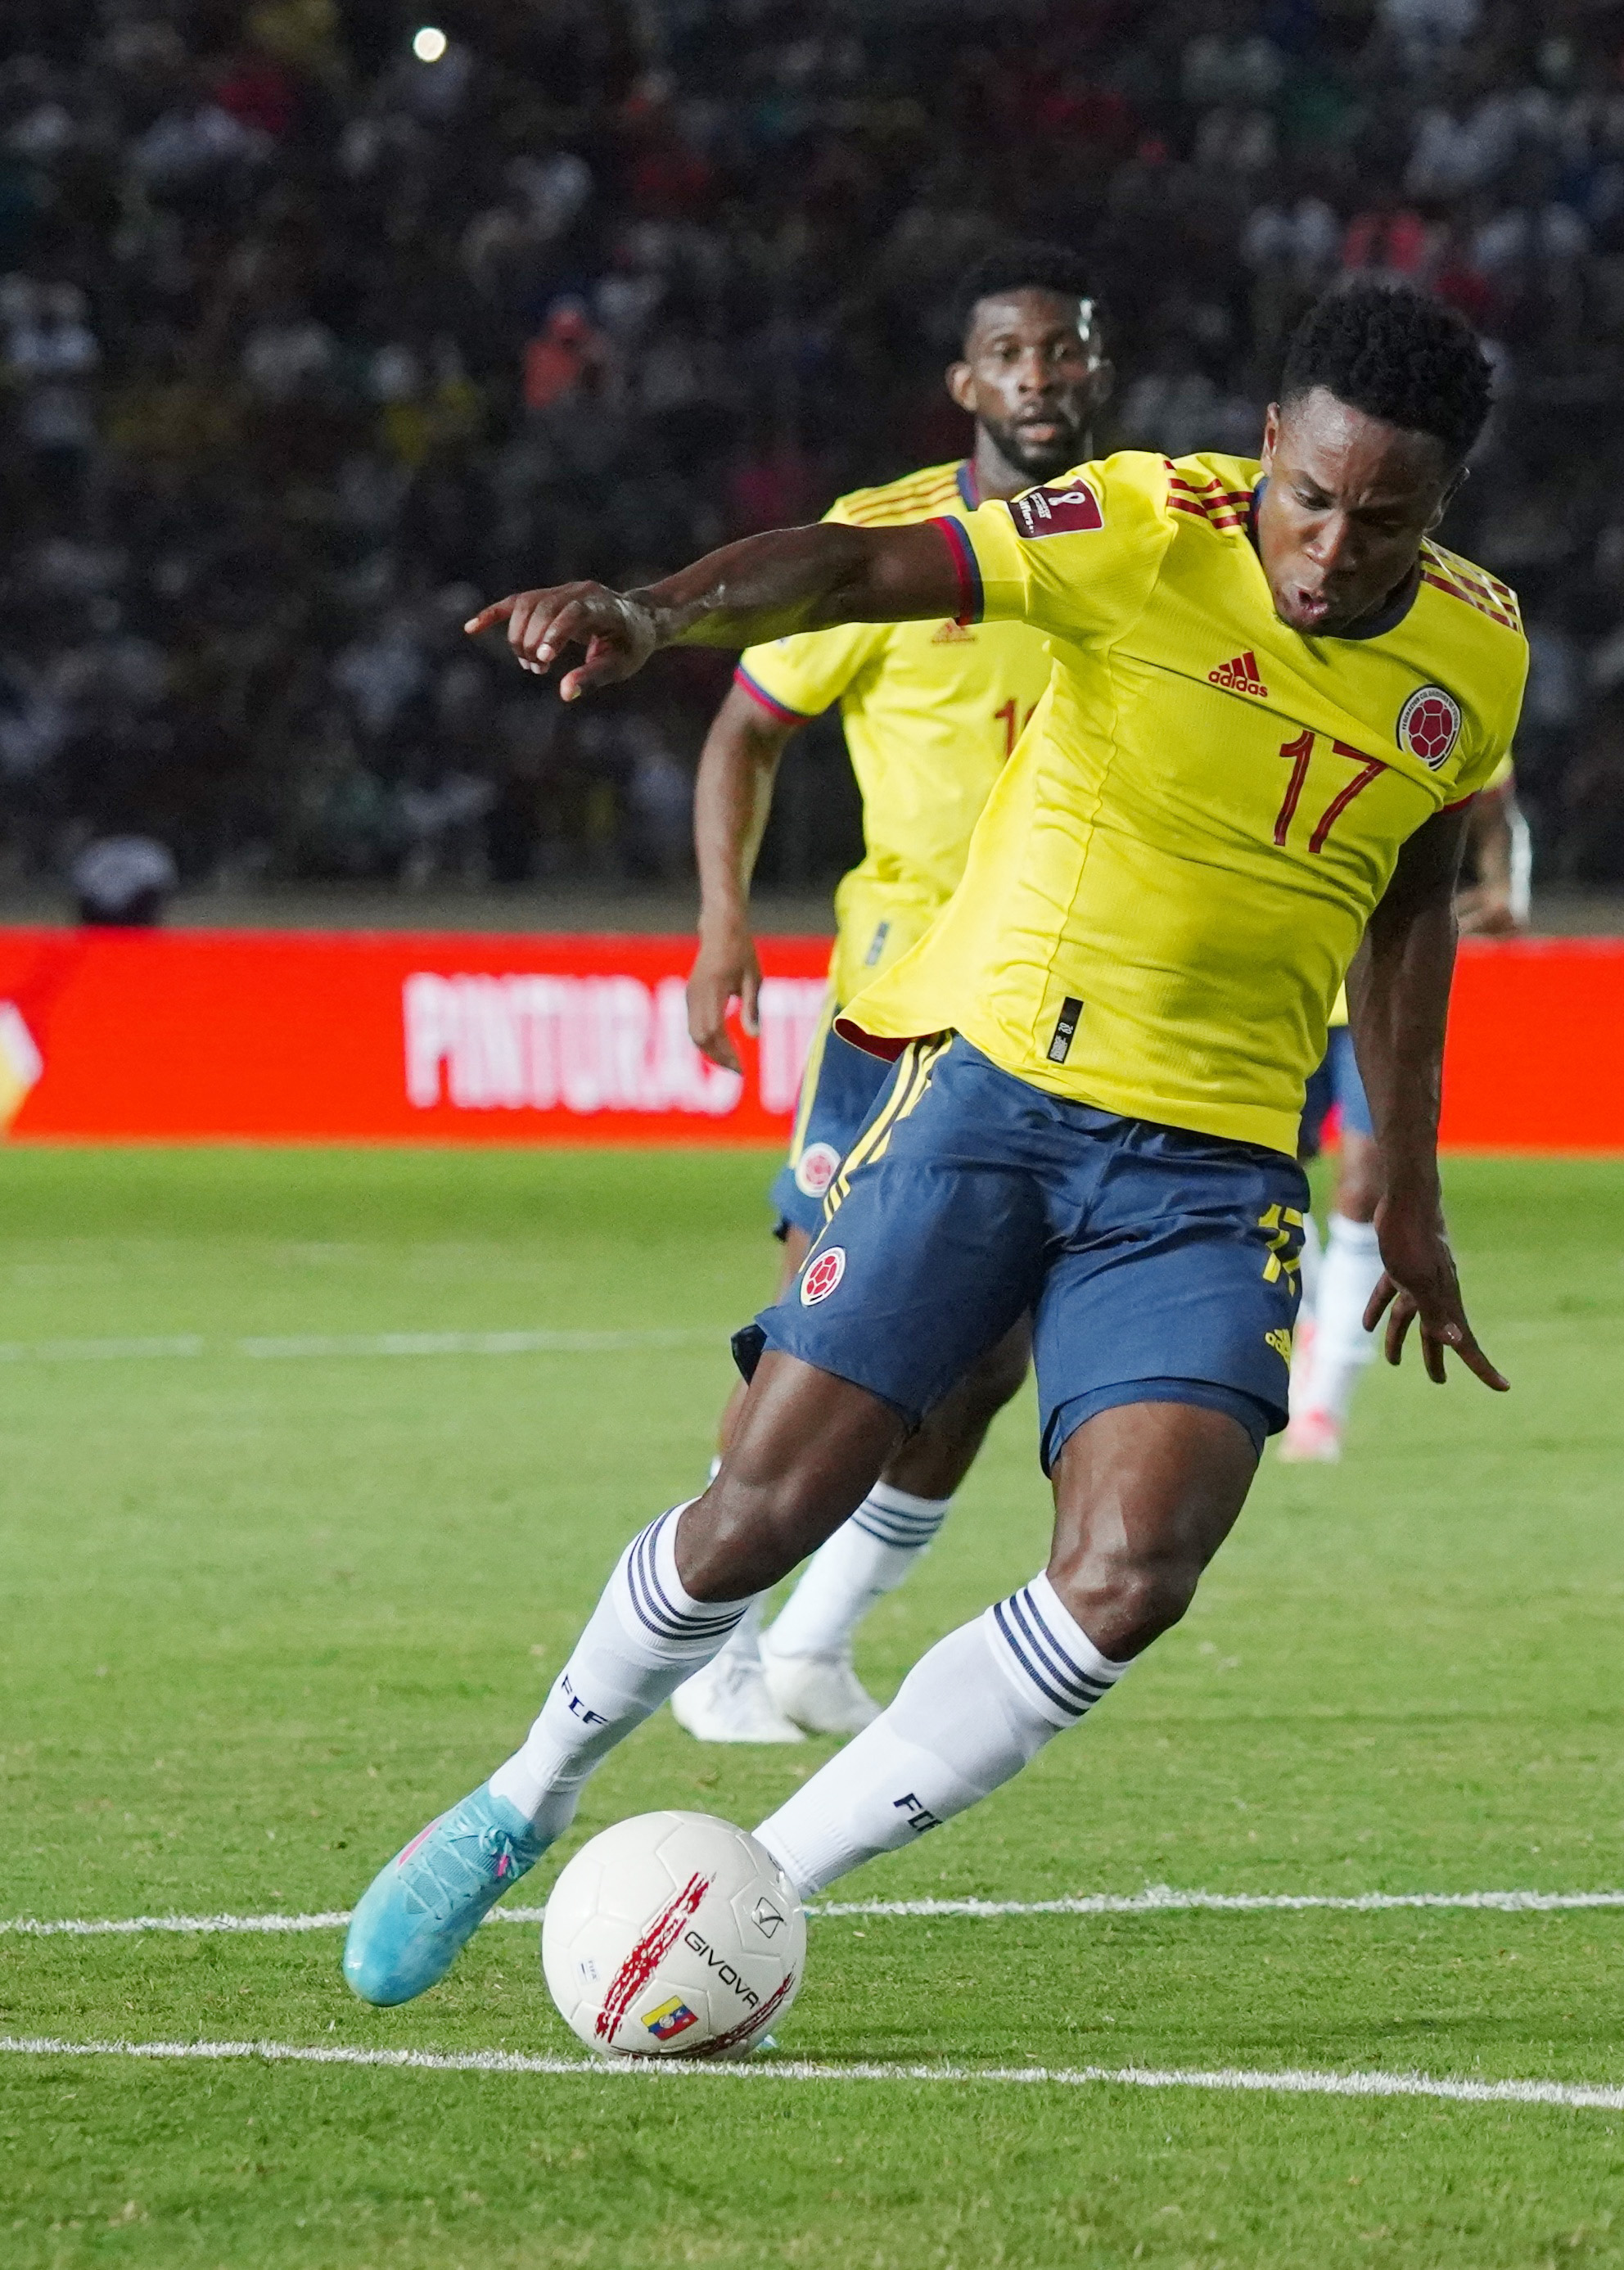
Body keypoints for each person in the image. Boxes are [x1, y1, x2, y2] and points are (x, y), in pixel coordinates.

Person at [343, 284, 1525, 2011]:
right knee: (762, 1503)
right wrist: (655, 611)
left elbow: (1413, 898)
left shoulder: (1480, 653)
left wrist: (1406, 1181)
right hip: (997, 1104)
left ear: (1445, 509)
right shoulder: (1143, 524)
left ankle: (751, 1887)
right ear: (1269, 445)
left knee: (1133, 1574)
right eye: (1312, 497)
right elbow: (851, 566)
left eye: (1387, 521)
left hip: (1211, 1172)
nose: (1334, 550)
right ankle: (524, 1793)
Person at [668, 245, 1109, 1745]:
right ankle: (712, 1645)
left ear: (1095, 369)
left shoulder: (1147, 537)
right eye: (1013, 354)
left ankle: (815, 1642)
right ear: (967, 382)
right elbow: (746, 728)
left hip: (1066, 1000)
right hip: (903, 1001)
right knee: (826, 1326)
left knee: (988, 1358)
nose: (1040, 377)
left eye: (1064, 350)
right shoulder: (888, 541)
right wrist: (725, 921)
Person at [1282, 778, 1527, 1462]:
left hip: (1376, 983)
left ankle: (1323, 1406)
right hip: (1286, 970)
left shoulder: (1436, 712)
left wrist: (1504, 885)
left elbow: (1493, 805)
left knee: (1365, 1180)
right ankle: (1312, 1318)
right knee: (1268, 1173)